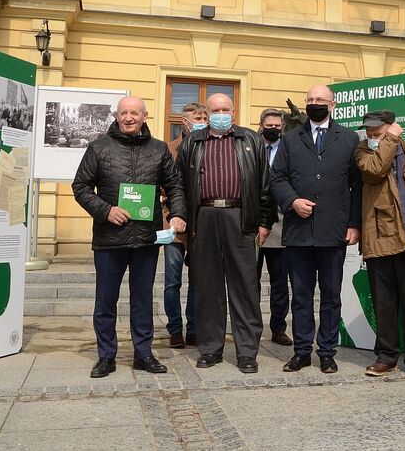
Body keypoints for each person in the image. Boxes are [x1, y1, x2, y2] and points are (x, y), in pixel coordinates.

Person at [72, 96, 187, 379]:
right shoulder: (98, 148)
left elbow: (174, 185)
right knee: (105, 300)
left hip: (146, 239)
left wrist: (178, 213)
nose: (128, 118)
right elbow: (81, 187)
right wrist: (105, 210)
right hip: (109, 238)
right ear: (117, 116)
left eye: (134, 113)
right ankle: (105, 356)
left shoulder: (159, 149)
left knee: (142, 300)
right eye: (123, 113)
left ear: (145, 116)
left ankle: (143, 354)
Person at [177, 93, 275, 374]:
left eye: (225, 109)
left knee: (245, 287)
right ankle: (210, 349)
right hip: (203, 218)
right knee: (208, 288)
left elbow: (264, 185)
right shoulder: (192, 143)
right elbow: (180, 185)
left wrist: (265, 222)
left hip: (240, 218)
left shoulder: (250, 140)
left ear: (233, 112)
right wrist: (182, 219)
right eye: (215, 110)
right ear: (206, 115)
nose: (221, 113)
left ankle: (246, 352)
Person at [270, 84, 361, 374]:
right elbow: (277, 178)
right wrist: (292, 201)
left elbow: (358, 185)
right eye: (309, 99)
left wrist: (354, 224)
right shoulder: (290, 139)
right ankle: (301, 351)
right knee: (301, 295)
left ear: (332, 105)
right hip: (298, 230)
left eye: (320, 100)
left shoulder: (348, 138)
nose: (314, 103)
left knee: (331, 295)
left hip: (333, 231)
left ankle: (327, 351)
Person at [354, 111, 405, 380]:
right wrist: (388, 141)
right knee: (384, 303)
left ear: (392, 127)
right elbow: (374, 170)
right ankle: (387, 356)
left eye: (377, 132)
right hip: (379, 240)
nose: (371, 137)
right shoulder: (363, 154)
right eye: (369, 133)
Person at [163, 102, 208, 349]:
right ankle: (174, 328)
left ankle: (193, 328)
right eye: (197, 117)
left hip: (202, 223)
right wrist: (170, 215)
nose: (202, 120)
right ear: (185, 121)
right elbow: (162, 188)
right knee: (173, 280)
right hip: (174, 224)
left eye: (204, 116)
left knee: (197, 281)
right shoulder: (168, 149)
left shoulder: (211, 145)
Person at [257, 108, 293, 346]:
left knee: (280, 281)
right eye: (269, 125)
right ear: (261, 125)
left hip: (281, 223)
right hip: (254, 222)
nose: (273, 129)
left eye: (277, 126)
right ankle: (252, 326)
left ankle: (278, 327)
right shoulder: (251, 144)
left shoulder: (288, 148)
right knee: (250, 279)